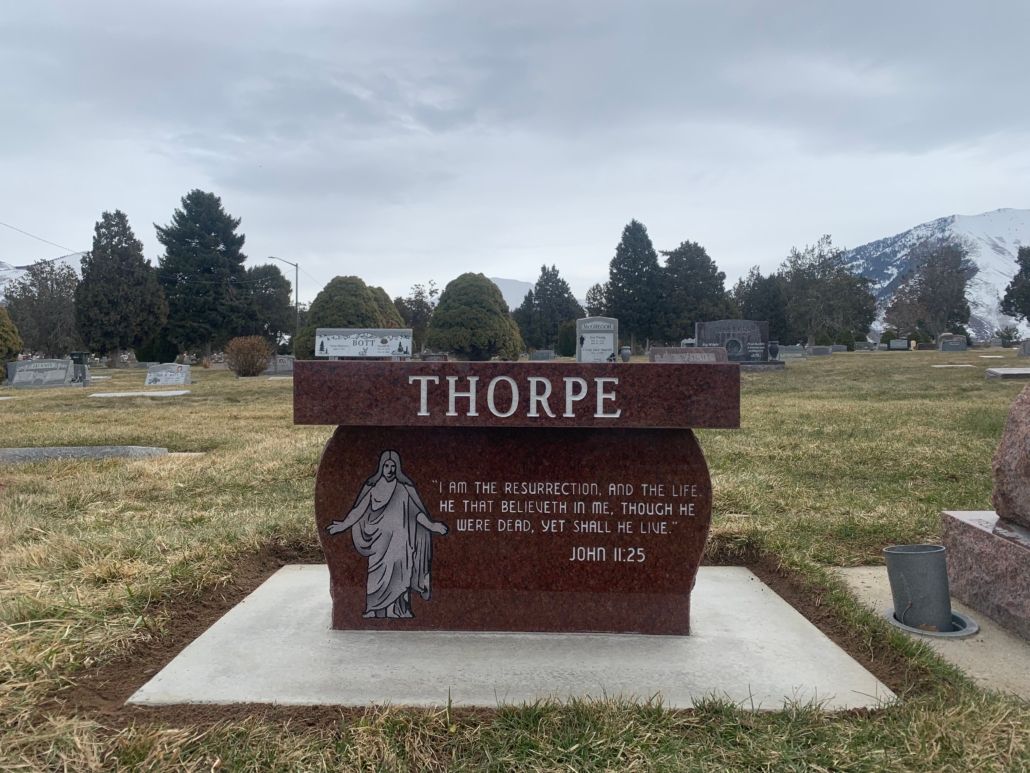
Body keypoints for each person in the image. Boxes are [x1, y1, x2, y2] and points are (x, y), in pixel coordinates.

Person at [326, 450, 448, 618]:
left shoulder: (403, 489)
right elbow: (359, 510)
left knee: (399, 574)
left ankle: (396, 610)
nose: (390, 469)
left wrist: (432, 525)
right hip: (379, 542)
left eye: (393, 466)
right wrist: (343, 525)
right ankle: (373, 609)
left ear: (397, 468)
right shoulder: (374, 489)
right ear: (381, 467)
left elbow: (416, 513)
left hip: (400, 542)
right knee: (376, 575)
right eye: (386, 466)